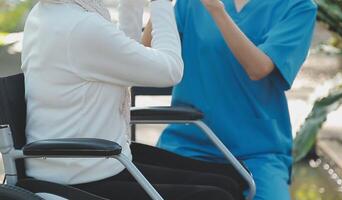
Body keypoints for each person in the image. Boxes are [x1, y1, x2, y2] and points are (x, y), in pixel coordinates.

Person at [21, 0, 241, 199]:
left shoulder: (47, 14)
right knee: (218, 194)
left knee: (228, 181)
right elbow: (170, 70)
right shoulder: (81, 26)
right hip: (83, 174)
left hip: (89, 162)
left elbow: (124, 57)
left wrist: (132, 4)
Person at [141, 0, 318, 199]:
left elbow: (258, 68)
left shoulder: (297, 7)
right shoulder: (190, 3)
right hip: (189, 143)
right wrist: (160, 3)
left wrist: (216, 10)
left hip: (259, 151)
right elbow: (146, 54)